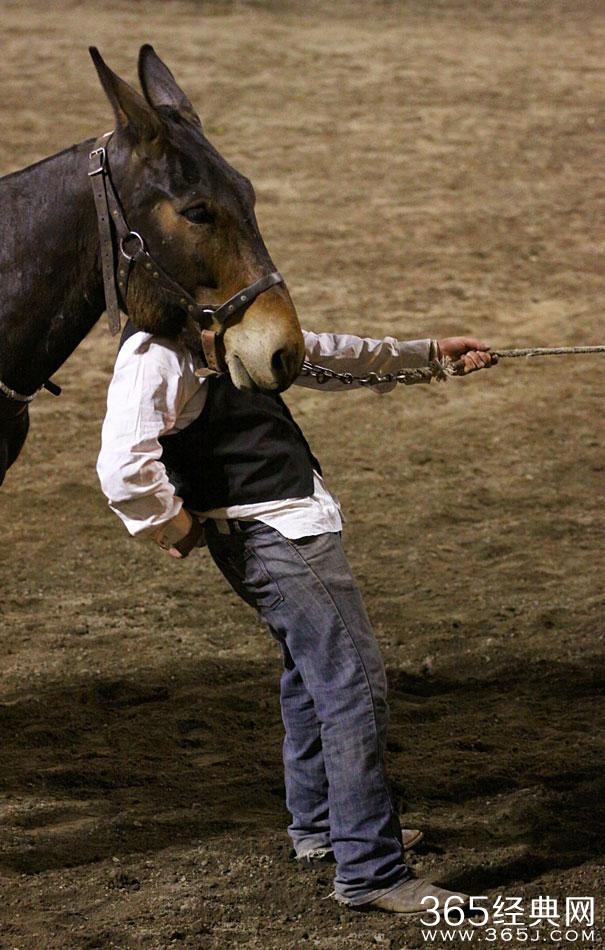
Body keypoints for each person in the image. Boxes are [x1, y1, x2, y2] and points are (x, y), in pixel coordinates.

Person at [97, 323, 495, 913]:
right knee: (353, 688)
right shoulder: (154, 350)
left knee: (311, 676)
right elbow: (123, 468)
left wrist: (429, 357)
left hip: (276, 530)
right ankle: (371, 870)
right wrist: (174, 526)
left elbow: (327, 354)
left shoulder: (224, 325)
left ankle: (322, 828)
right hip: (278, 535)